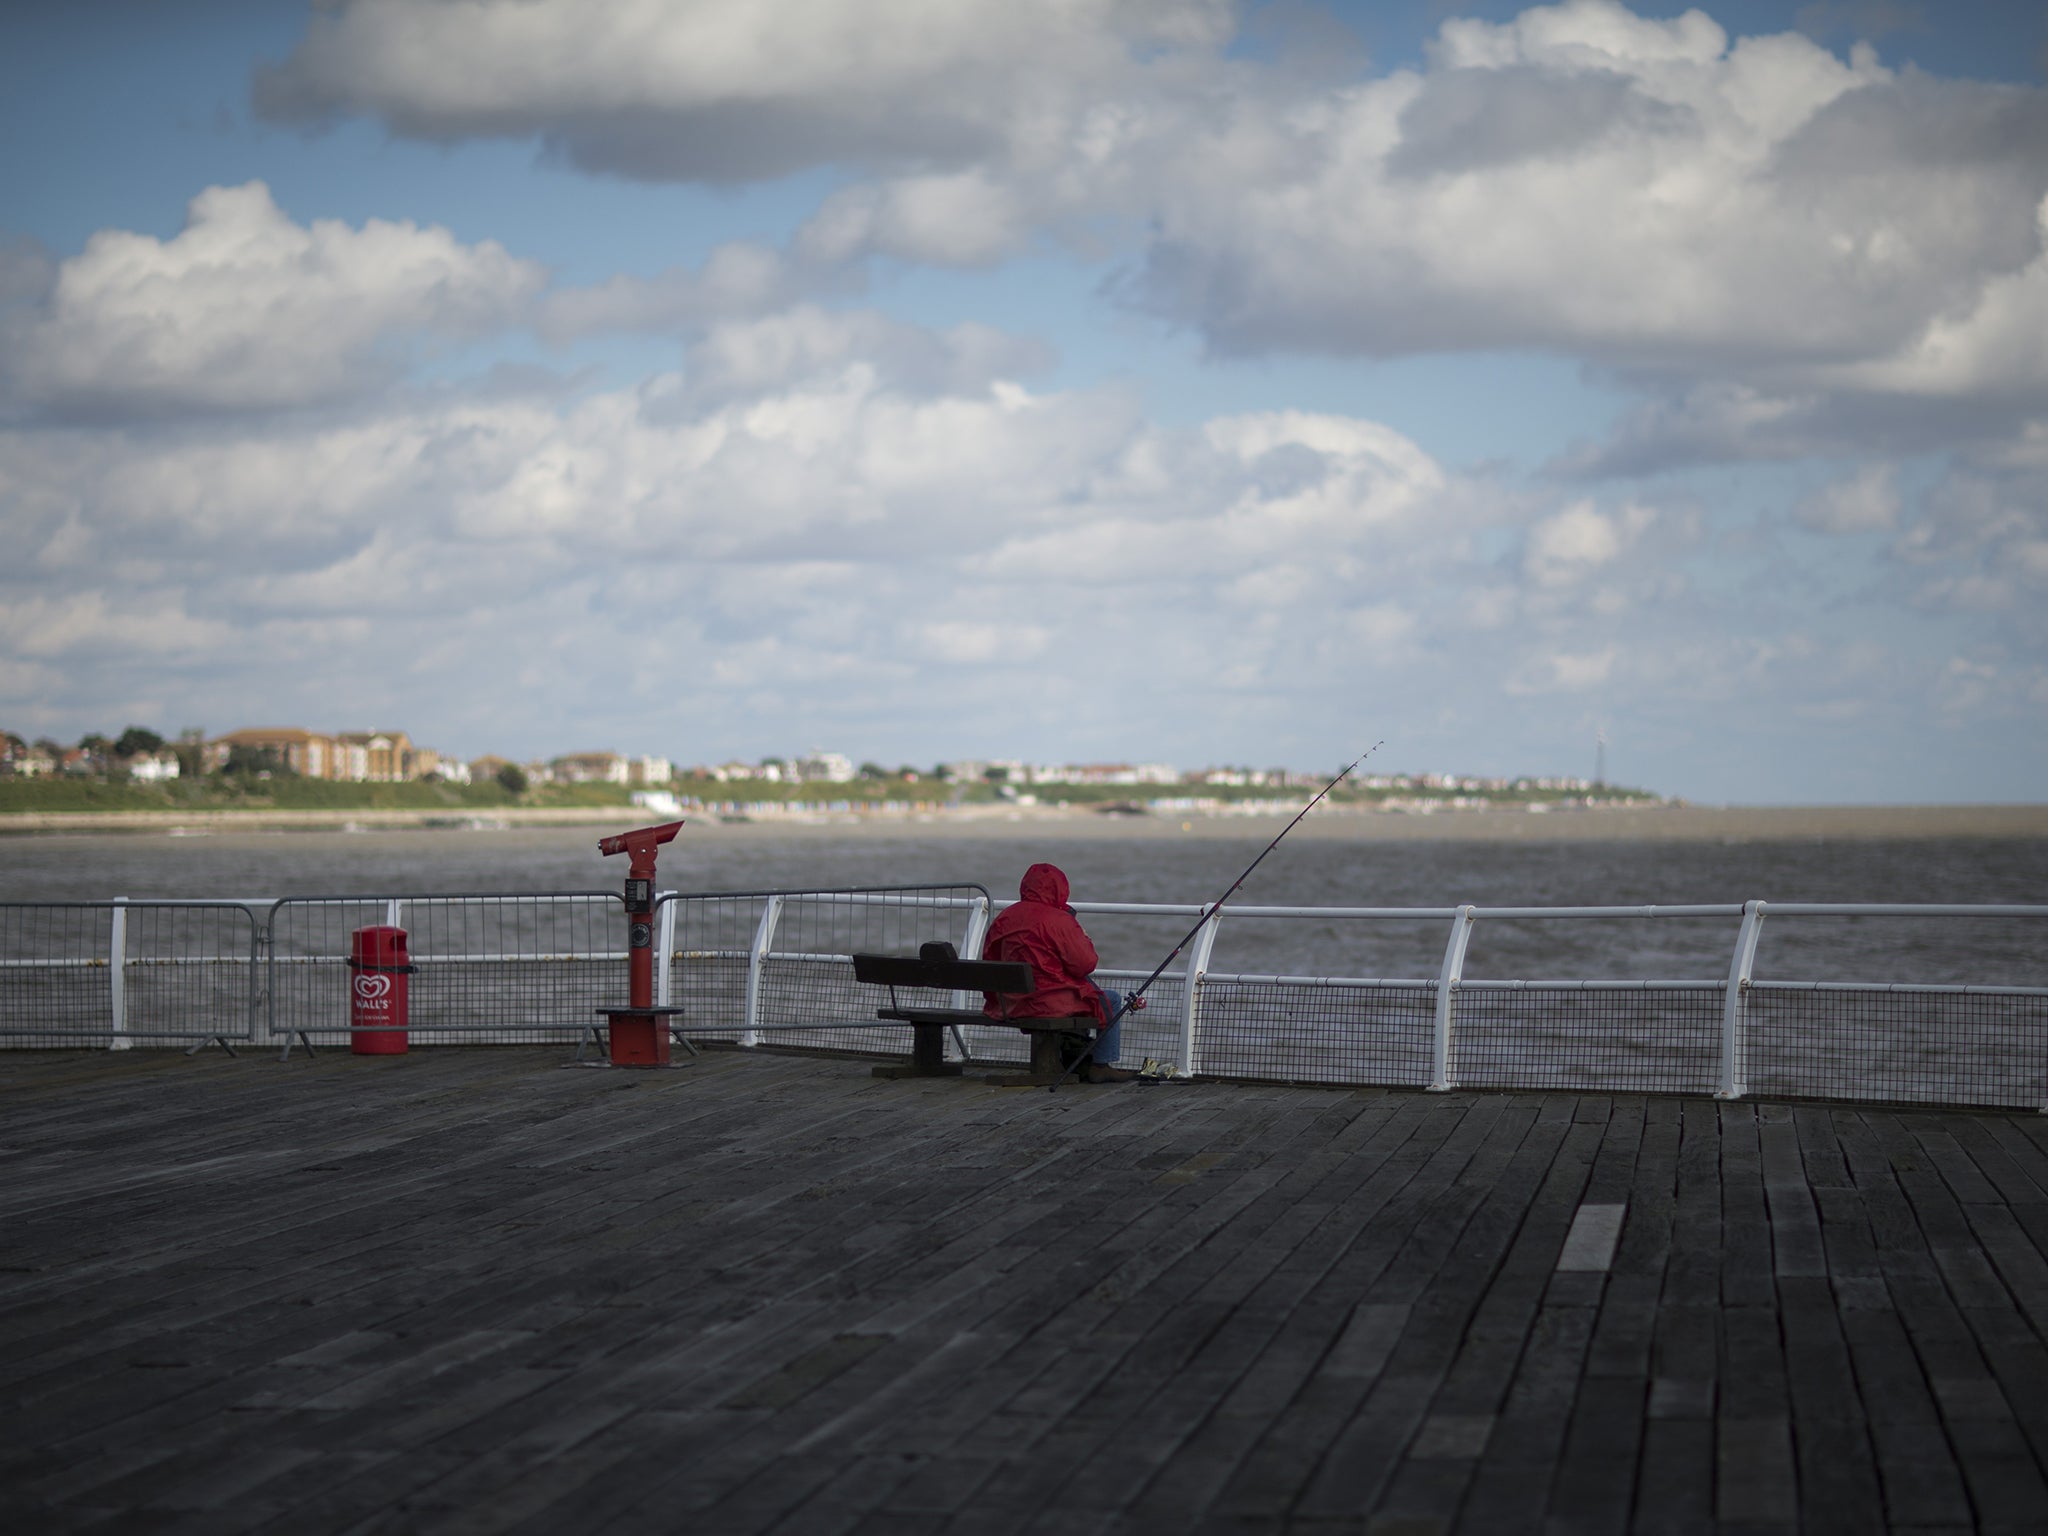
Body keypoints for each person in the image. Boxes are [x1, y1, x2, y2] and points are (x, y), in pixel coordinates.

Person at [981, 862, 1138, 1083]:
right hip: (1044, 1002)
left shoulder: (1005, 917)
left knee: (1078, 994)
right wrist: (1083, 937)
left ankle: (1074, 1058)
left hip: (1008, 1003)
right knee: (1109, 999)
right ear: (1059, 889)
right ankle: (1101, 1065)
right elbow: (1085, 964)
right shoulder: (1059, 921)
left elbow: (989, 956)